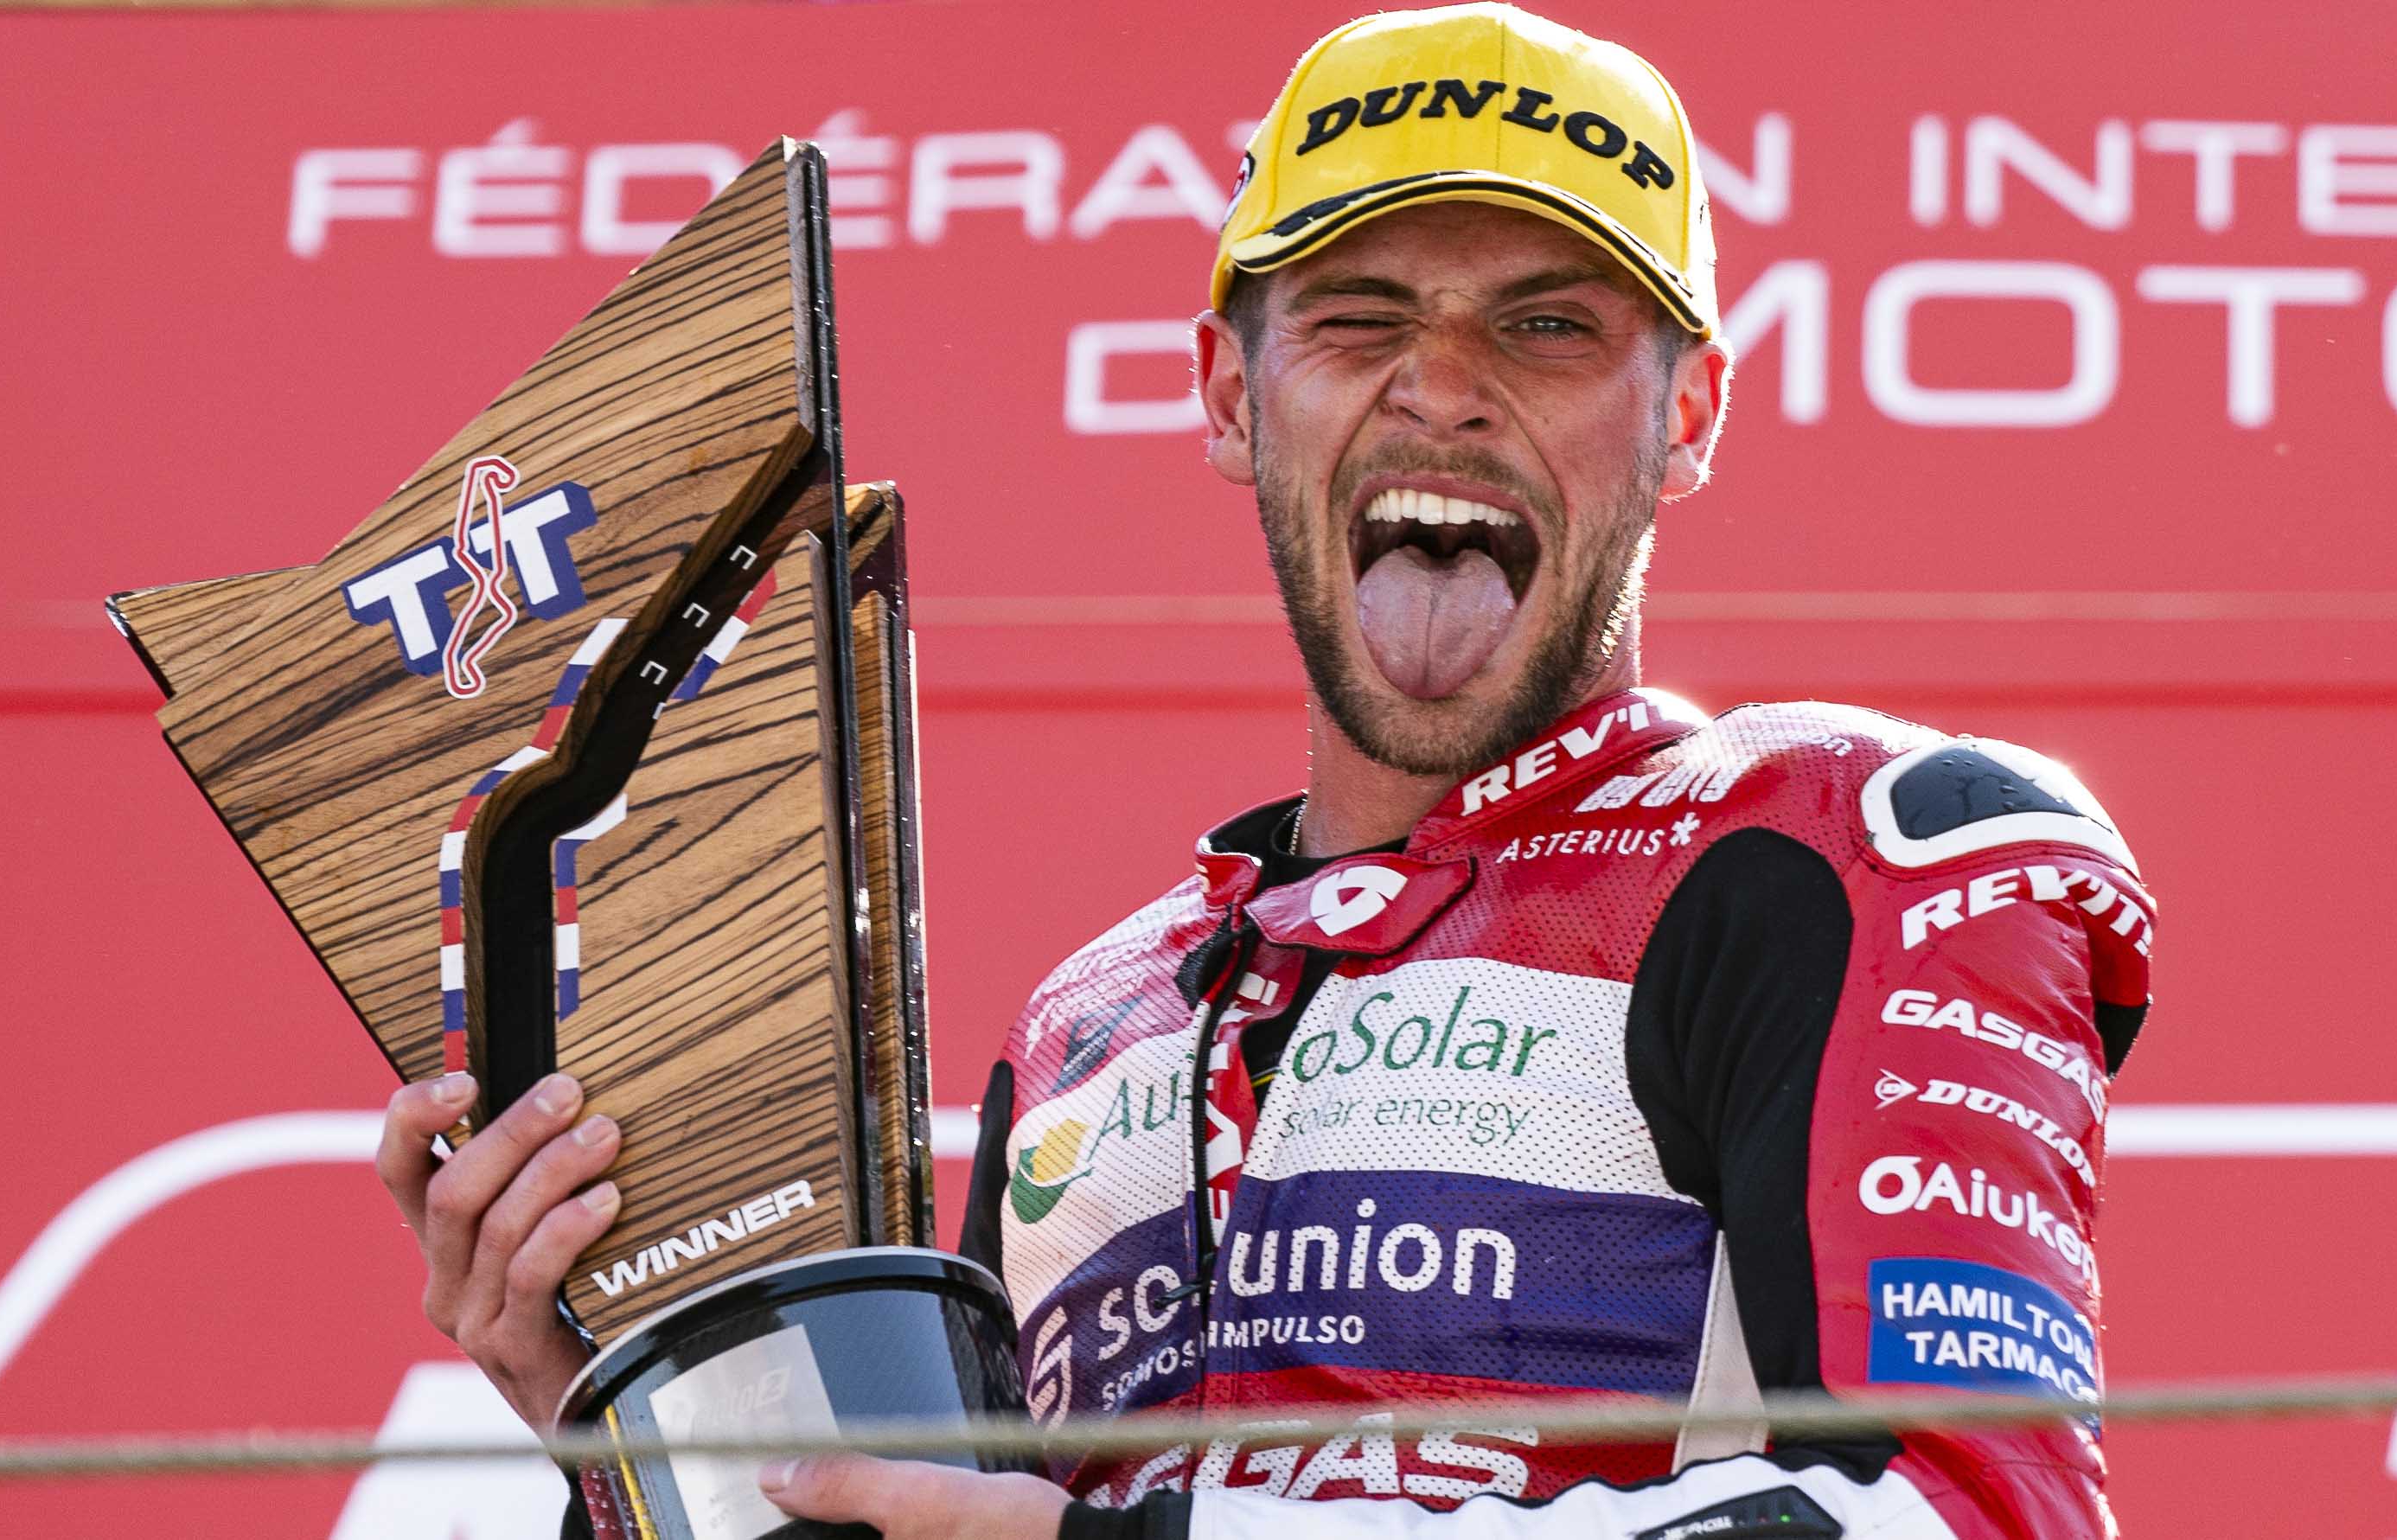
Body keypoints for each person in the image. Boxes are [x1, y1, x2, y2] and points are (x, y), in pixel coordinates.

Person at [376, 6, 2158, 1537]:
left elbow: (1954, 1513)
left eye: (1546, 327)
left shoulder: (1831, 855)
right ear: (1232, 396)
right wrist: (639, 1424)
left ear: (1683, 419)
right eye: (1360, 317)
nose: (1441, 391)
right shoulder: (1095, 1021)